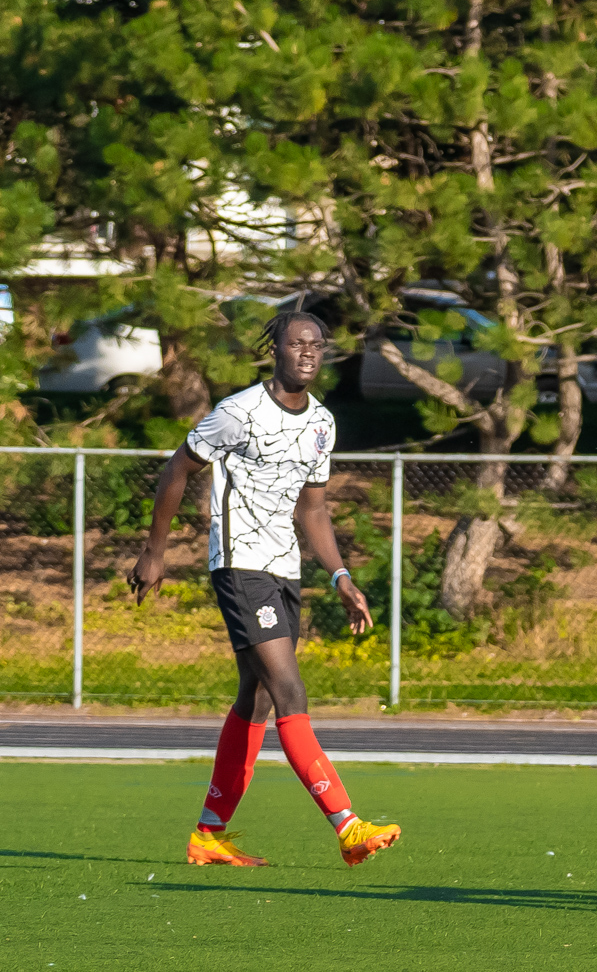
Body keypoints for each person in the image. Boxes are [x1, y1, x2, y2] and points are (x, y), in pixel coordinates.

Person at [128, 312, 401, 868]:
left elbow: (314, 508)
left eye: (315, 344)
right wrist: (156, 550)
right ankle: (347, 825)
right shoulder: (239, 412)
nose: (307, 351)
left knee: (253, 697)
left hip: (285, 570)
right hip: (239, 564)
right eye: (296, 343)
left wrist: (340, 575)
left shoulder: (322, 422)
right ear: (274, 349)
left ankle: (208, 833)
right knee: (288, 690)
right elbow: (177, 469)